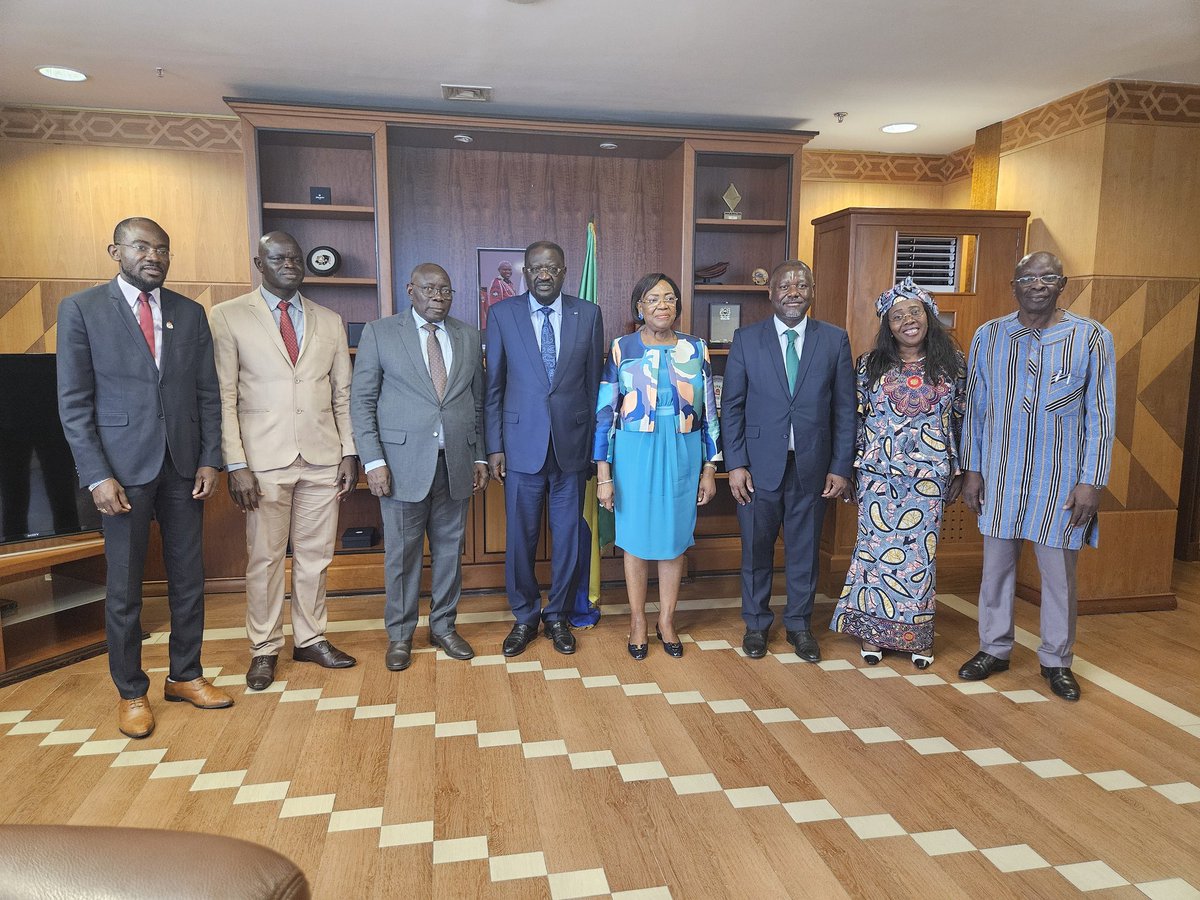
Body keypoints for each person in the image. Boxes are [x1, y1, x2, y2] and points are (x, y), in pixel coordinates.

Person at [56, 217, 233, 739]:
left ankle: (186, 676)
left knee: (188, 581)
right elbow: (73, 402)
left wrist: (210, 458)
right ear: (115, 250)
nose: (153, 255)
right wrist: (96, 475)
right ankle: (131, 691)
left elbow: (207, 395)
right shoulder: (83, 310)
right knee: (126, 589)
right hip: (120, 473)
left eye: (162, 248)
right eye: (141, 246)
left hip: (183, 468)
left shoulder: (189, 313)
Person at [957, 251, 1115, 702]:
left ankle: (1056, 660)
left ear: (1062, 284)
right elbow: (977, 411)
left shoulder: (1092, 338)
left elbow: (1101, 416)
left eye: (1048, 277)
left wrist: (1091, 481)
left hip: (1061, 482)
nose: (1037, 285)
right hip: (1001, 477)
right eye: (1028, 278)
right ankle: (994, 648)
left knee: (1059, 575)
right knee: (996, 571)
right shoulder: (989, 336)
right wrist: (973, 468)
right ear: (1014, 285)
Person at [209, 232, 359, 692]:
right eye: (279, 258)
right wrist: (236, 464)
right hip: (262, 462)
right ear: (260, 263)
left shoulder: (330, 321)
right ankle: (265, 648)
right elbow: (225, 397)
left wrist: (349, 451)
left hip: (321, 456)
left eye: (295, 257)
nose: (289, 264)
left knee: (317, 558)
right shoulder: (228, 316)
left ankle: (311, 638)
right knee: (266, 559)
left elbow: (342, 394)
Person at [351, 264, 489, 671]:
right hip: (399, 466)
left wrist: (479, 454)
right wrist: (372, 460)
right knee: (402, 556)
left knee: (449, 553)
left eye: (445, 289)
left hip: (456, 463)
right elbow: (362, 402)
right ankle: (400, 635)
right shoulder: (380, 332)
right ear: (410, 290)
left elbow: (475, 404)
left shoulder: (468, 335)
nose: (438, 296)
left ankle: (444, 627)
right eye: (429, 288)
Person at [721, 260, 855, 661]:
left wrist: (840, 466)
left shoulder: (834, 340)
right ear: (770, 293)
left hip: (812, 467)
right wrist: (737, 464)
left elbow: (845, 410)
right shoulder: (747, 339)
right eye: (784, 285)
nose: (793, 291)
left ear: (812, 291)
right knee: (756, 550)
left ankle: (799, 625)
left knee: (804, 550)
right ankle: (756, 624)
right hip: (757, 468)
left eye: (801, 285)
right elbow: (732, 407)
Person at [830, 278, 966, 668]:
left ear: (929, 316)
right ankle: (873, 635)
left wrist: (960, 470)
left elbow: (962, 419)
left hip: (929, 477)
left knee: (918, 560)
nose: (908, 320)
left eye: (915, 312)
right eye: (897, 316)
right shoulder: (868, 366)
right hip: (878, 476)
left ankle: (917, 636)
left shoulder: (952, 366)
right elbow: (854, 420)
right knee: (873, 556)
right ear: (887, 326)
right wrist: (849, 471)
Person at [485, 240, 605, 656]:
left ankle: (557, 616)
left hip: (572, 447)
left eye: (551, 267)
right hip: (520, 447)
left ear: (564, 270)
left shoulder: (587, 314)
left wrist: (595, 447)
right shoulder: (502, 314)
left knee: (569, 535)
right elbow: (494, 386)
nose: (543, 274)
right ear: (525, 270)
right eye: (535, 267)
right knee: (521, 537)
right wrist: (495, 446)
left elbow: (593, 388)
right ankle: (524, 616)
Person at [594, 273, 720, 659]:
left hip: (683, 450)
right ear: (639, 308)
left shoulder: (697, 348)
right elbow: (605, 415)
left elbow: (710, 414)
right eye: (652, 299)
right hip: (634, 452)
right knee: (634, 540)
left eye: (669, 298)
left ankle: (666, 619)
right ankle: (637, 621)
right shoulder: (621, 347)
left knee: (673, 540)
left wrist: (709, 469)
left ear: (677, 306)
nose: (662, 305)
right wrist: (604, 477)